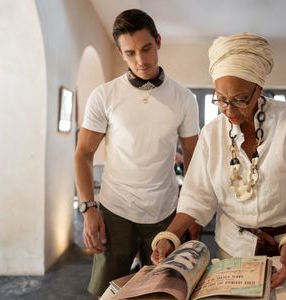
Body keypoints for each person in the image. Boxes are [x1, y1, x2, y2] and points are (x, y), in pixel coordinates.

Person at [151, 33, 286, 289]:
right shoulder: (212, 134)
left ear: (259, 89)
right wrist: (170, 235)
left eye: (240, 99)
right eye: (221, 99)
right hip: (235, 249)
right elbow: (197, 196)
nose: (229, 109)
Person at [74, 9, 199, 296]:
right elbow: (83, 154)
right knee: (107, 292)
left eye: (146, 49)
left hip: (166, 210)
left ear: (158, 41)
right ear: (120, 53)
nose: (140, 60)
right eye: (130, 53)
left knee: (163, 291)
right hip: (115, 209)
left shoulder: (184, 98)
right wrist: (89, 209)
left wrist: (191, 211)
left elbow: (193, 156)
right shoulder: (104, 95)